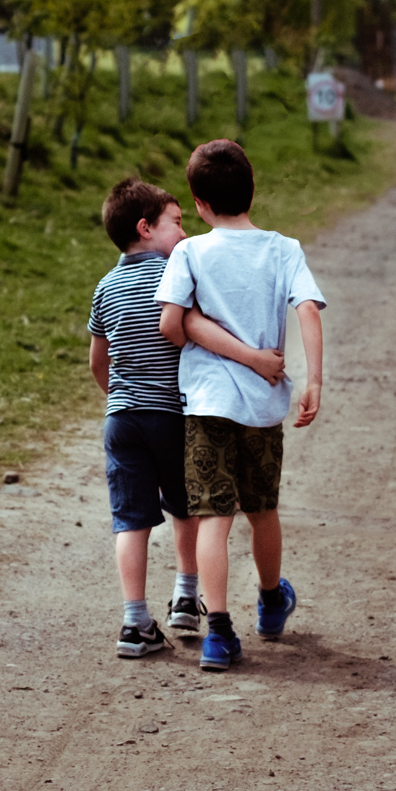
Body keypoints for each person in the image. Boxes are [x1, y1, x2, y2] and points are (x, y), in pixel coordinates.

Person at [87, 177, 285, 658]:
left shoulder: (106, 284)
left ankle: (135, 623)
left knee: (130, 521)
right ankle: (184, 594)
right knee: (189, 508)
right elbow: (193, 327)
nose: (184, 231)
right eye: (175, 223)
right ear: (145, 227)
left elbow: (99, 359)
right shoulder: (177, 274)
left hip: (123, 419)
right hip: (173, 416)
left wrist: (119, 396)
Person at [156, 139, 325, 672]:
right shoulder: (284, 248)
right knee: (262, 509)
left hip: (206, 403)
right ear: (253, 190)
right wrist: (312, 379)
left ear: (198, 203)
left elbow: (170, 324)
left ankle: (219, 633)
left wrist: (202, 337)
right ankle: (272, 600)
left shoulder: (190, 252)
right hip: (262, 407)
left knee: (212, 517)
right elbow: (308, 312)